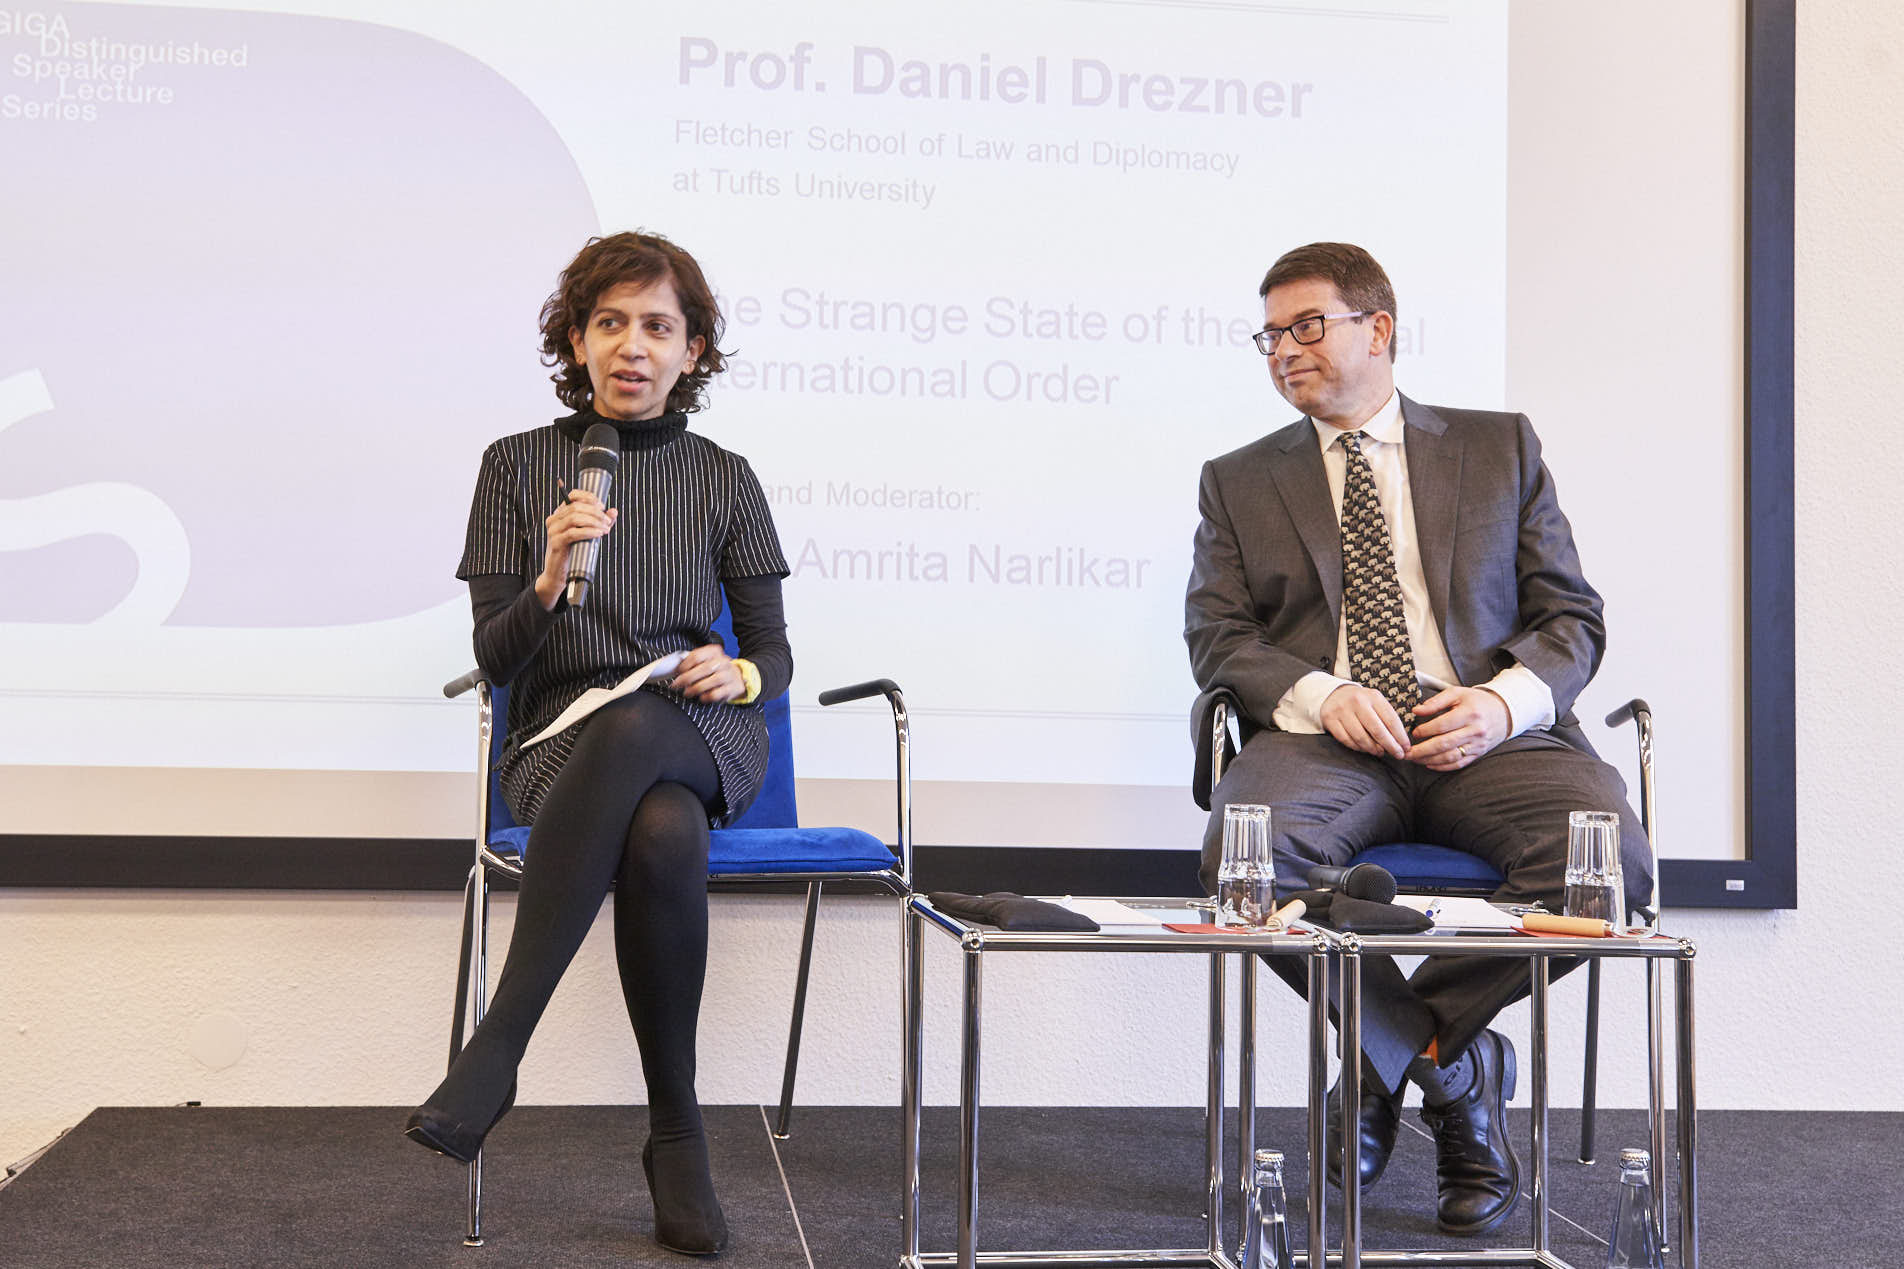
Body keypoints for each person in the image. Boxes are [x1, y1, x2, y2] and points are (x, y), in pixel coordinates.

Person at [1184, 242, 1651, 1235]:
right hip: (1327, 746)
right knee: (1246, 856)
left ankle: (1380, 1059)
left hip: (1487, 741)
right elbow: (1217, 638)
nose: (1282, 352)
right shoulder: (1236, 480)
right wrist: (1316, 690)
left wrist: (1503, 701)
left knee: (1607, 867)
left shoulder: (1497, 448)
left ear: (1377, 330)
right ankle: (1449, 1066)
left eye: (1306, 326)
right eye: (1268, 336)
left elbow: (1572, 616)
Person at [404, 230, 790, 1257]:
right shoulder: (516, 466)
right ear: (575, 342)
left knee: (650, 739)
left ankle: (498, 1048)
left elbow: (772, 653)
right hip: (559, 744)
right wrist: (545, 575)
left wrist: (740, 676)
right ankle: (678, 1132)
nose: (633, 346)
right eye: (609, 323)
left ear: (692, 351)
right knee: (659, 829)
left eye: (657, 327)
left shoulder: (725, 477)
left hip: (701, 729)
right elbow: (497, 659)